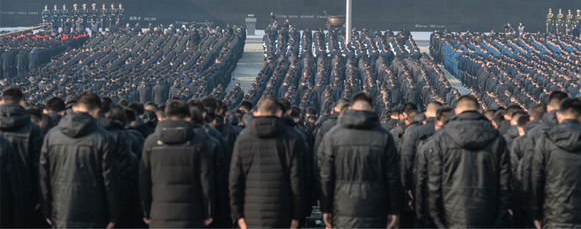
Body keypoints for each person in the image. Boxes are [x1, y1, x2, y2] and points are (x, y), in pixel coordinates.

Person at [320, 92, 401, 229]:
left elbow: (326, 176)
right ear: (373, 110)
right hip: (375, 206)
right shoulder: (384, 137)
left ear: (350, 109)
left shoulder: (333, 136)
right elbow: (392, 177)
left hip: (343, 206)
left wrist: (326, 208)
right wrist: (393, 210)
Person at [427, 95, 510, 228]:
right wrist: (500, 217)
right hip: (487, 211)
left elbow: (434, 180)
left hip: (452, 211)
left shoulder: (443, 137)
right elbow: (504, 183)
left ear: (457, 111)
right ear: (480, 111)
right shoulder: (497, 138)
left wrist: (436, 218)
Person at [39, 91, 120, 228]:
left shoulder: (52, 136)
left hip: (61, 208)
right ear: (96, 111)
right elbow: (110, 179)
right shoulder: (103, 138)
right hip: (94, 209)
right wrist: (113, 214)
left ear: (74, 108)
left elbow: (44, 175)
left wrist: (46, 211)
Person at [531, 97, 581, 229]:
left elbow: (536, 178)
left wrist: (536, 213)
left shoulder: (546, 140)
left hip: (554, 214)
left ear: (559, 115)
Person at [229, 97, 305, 229]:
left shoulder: (243, 138)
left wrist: (239, 216)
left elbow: (235, 180)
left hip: (251, 212)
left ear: (256, 113)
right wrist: (297, 217)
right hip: (283, 212)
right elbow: (297, 182)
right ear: (280, 114)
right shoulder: (292, 138)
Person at [139, 99, 214, 228]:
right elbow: (206, 181)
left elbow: (144, 181)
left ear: (165, 116)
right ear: (188, 117)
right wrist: (207, 213)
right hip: (190, 213)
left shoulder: (151, 142)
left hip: (159, 213)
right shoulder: (198, 142)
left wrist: (145, 212)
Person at [0, 87, 43, 222]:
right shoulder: (33, 128)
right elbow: (38, 165)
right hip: (26, 189)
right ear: (22, 103)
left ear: (2, 101)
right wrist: (39, 196)